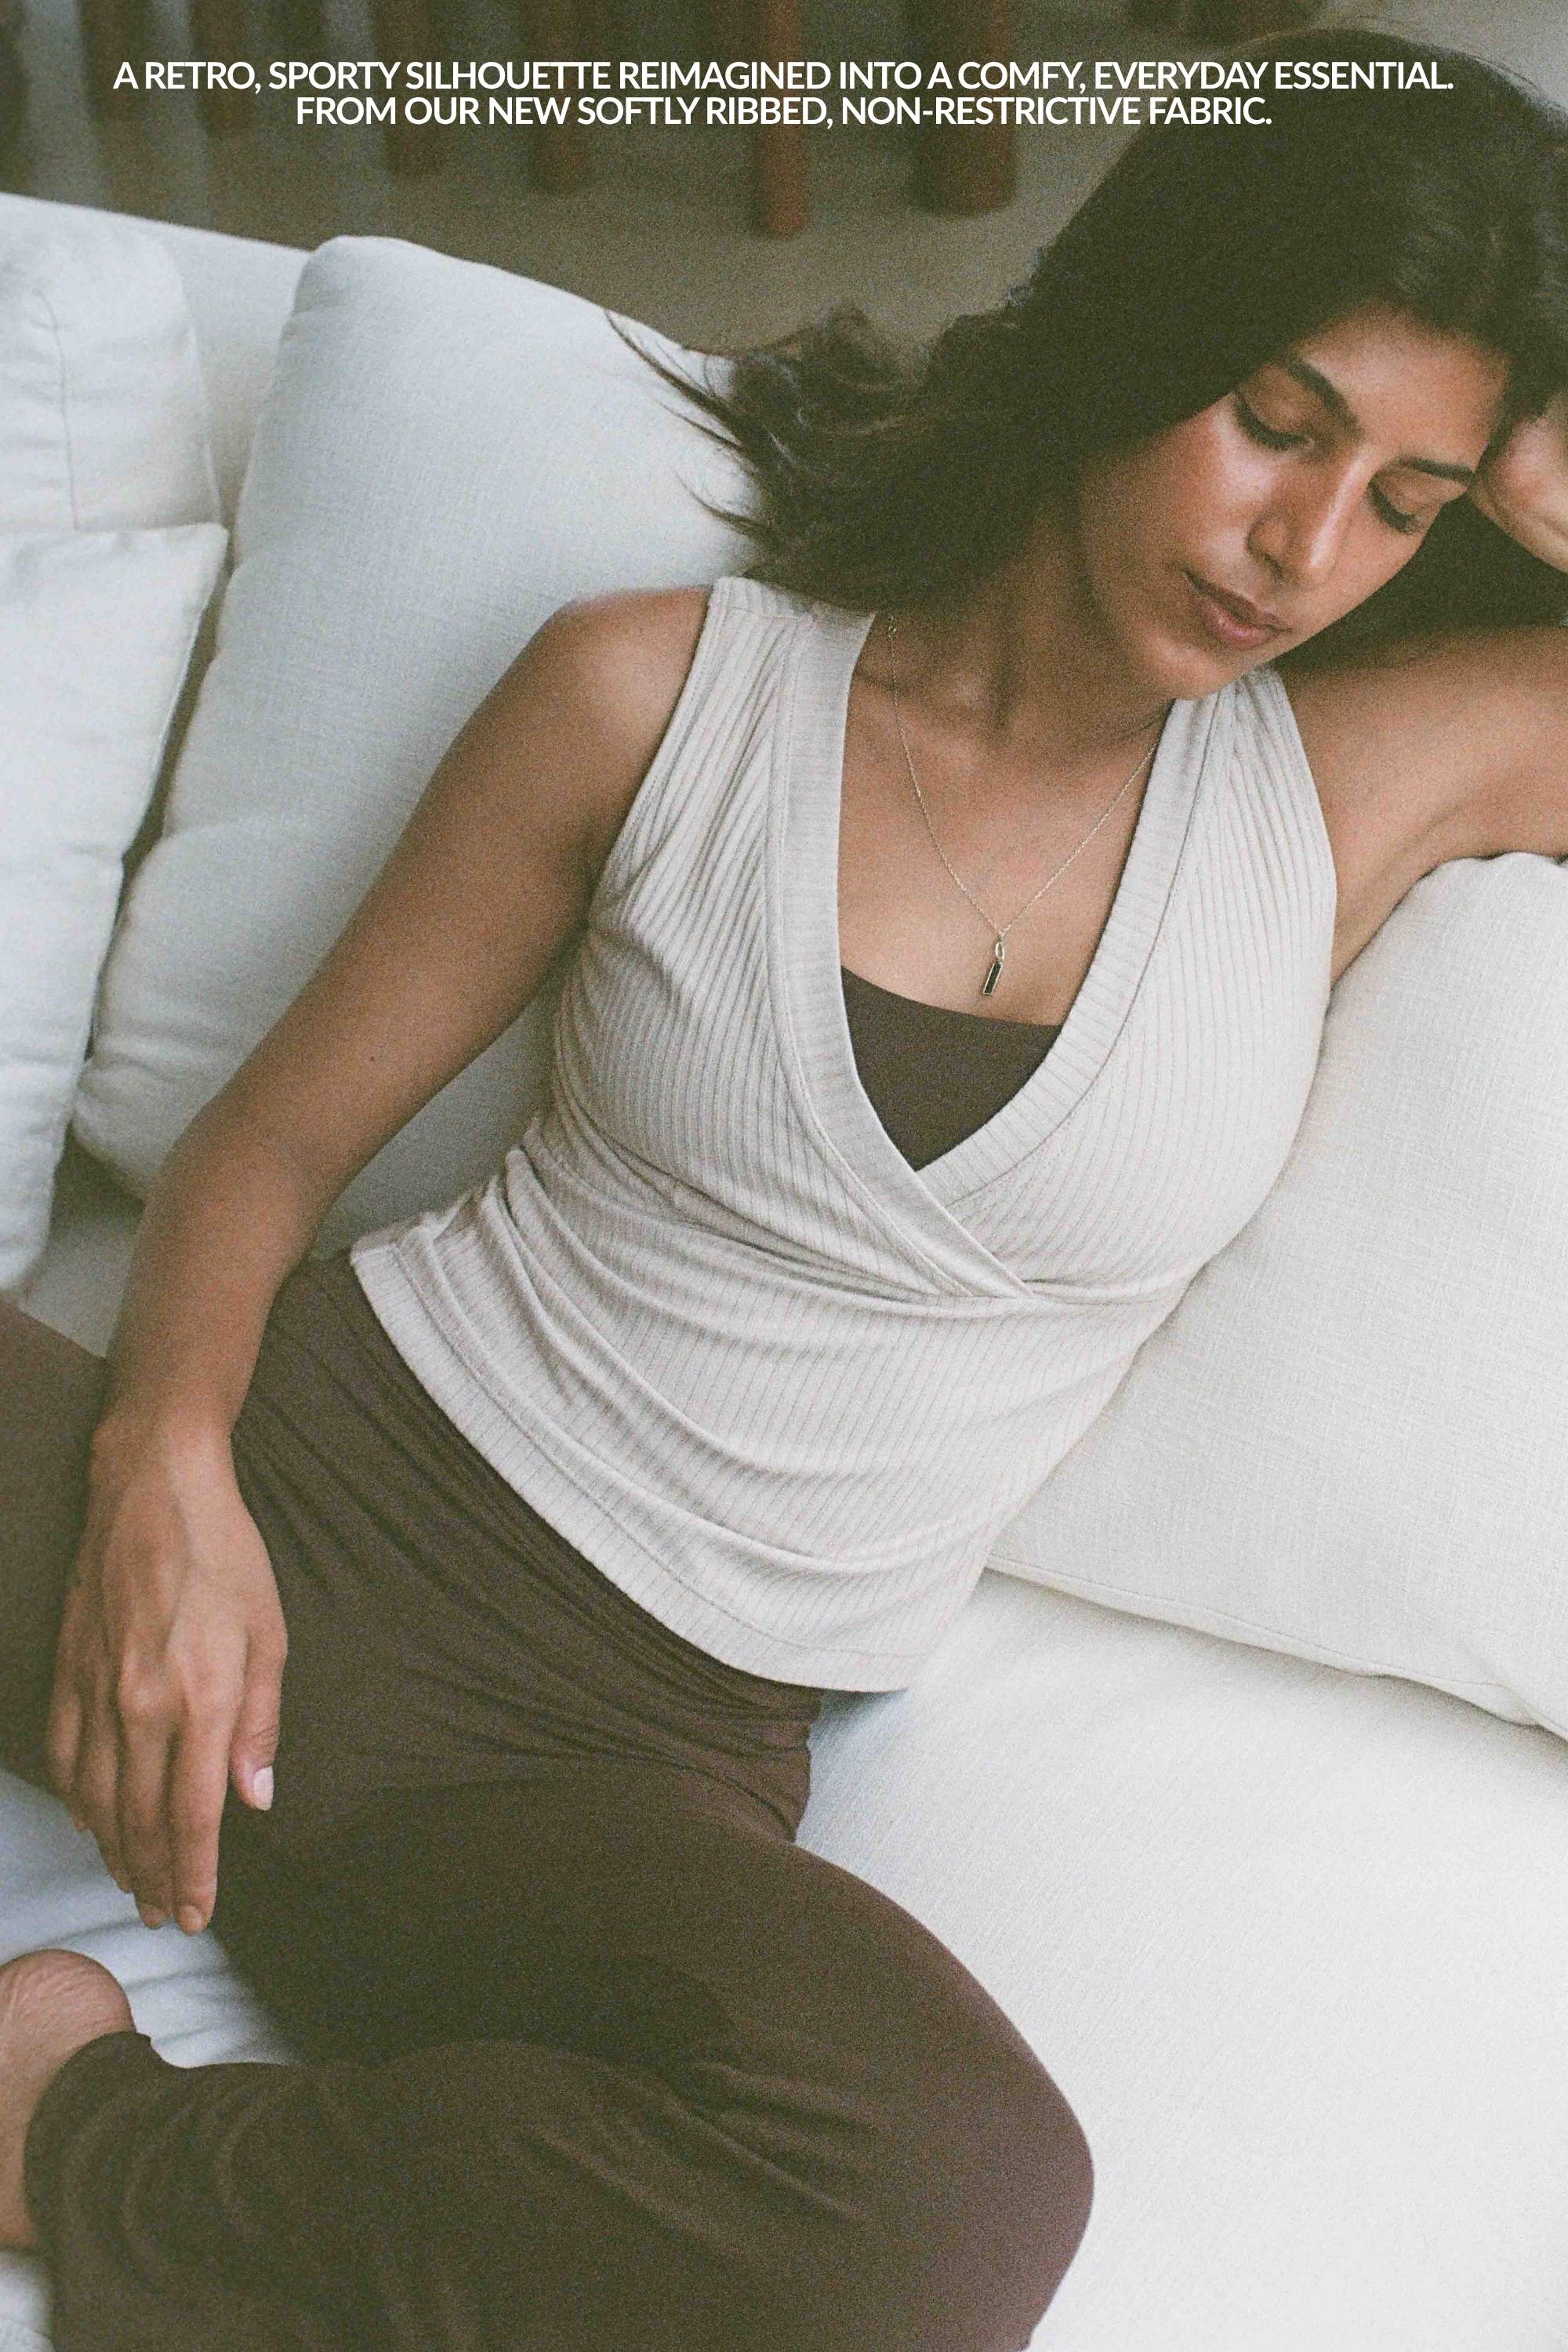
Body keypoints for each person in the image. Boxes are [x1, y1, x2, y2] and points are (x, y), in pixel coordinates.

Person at [3, 21, 1568, 2350]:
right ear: (1136, 337)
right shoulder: (657, 696)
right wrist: (167, 1479)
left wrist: (1540, 443)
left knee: (946, 2206)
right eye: (1277, 421)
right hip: (314, 1486)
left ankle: (61, 2130)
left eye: (1408, 503)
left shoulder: (1343, 793)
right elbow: (273, 1143)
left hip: (607, 1756)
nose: (1304, 553)